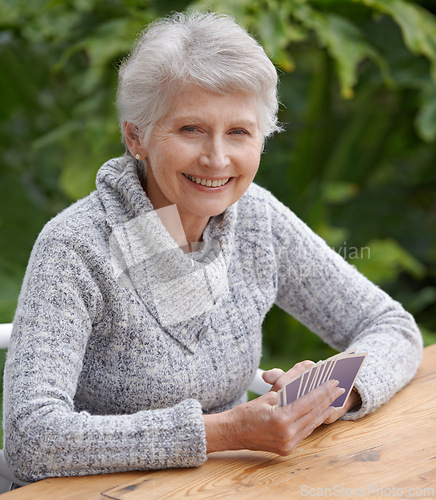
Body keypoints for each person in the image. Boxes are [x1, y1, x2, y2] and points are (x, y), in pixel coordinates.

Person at [3, 11, 422, 484]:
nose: (217, 158)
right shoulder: (75, 248)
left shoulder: (256, 219)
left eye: (239, 132)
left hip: (227, 485)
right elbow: (31, 438)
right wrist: (225, 431)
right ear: (135, 137)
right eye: (190, 130)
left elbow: (390, 326)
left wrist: (324, 395)